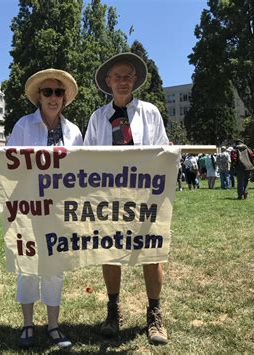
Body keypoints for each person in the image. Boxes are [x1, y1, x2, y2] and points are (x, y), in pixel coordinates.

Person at [83, 52, 169, 345]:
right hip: (109, 198)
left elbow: (163, 153)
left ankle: (154, 314)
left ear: (135, 81)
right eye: (117, 77)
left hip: (145, 196)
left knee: (152, 253)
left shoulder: (151, 113)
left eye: (127, 77)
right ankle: (113, 310)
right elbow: (86, 160)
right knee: (109, 252)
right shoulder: (97, 118)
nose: (122, 82)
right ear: (108, 82)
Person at [6, 68, 82, 349]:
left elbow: (81, 171)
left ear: (64, 98)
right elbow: (10, 166)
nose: (53, 97)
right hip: (28, 208)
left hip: (59, 210)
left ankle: (53, 325)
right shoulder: (24, 126)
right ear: (39, 96)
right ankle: (28, 324)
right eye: (48, 92)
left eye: (58, 92)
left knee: (54, 267)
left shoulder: (73, 131)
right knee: (27, 267)